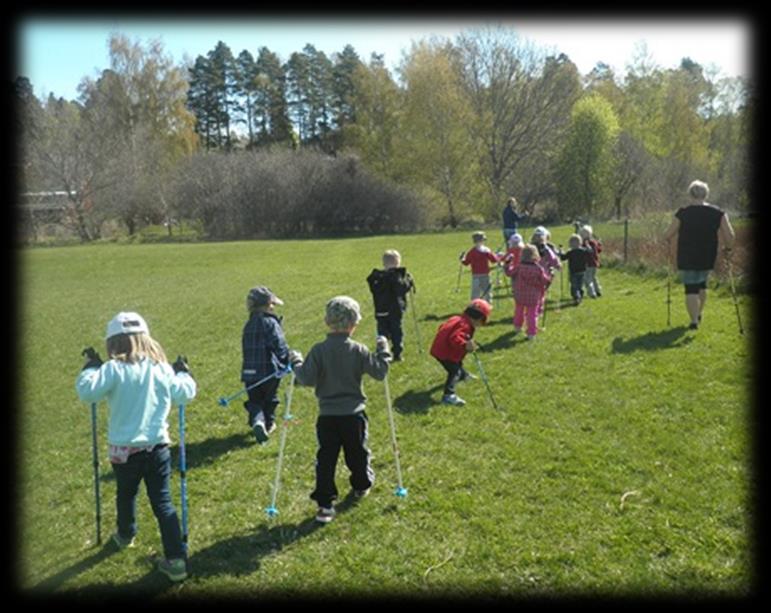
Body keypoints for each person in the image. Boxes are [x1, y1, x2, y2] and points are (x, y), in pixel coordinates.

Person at [75, 312, 196, 583]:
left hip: (123, 449)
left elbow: (87, 392)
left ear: (112, 343)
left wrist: (90, 367)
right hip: (157, 447)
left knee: (126, 493)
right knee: (163, 502)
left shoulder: (112, 369)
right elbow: (185, 393)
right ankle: (177, 559)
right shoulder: (160, 368)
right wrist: (183, 373)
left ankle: (125, 534)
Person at [289, 296, 390, 524]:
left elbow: (305, 378)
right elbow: (380, 372)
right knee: (357, 452)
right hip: (353, 415)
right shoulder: (358, 350)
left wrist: (296, 362)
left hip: (327, 417)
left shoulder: (319, 350)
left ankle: (325, 504)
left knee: (326, 458)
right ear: (354, 324)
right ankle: (361, 485)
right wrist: (383, 350)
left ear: (327, 322)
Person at [663, 180, 735, 329]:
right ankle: (698, 313)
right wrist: (728, 249)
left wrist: (668, 240)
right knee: (702, 284)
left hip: (687, 254)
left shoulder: (683, 213)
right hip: (707, 254)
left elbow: (668, 234)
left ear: (690, 194)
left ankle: (694, 321)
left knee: (691, 288)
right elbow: (730, 235)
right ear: (706, 194)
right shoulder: (718, 213)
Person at [241, 285, 292, 444]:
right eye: (272, 305)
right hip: (269, 371)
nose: (273, 308)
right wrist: (286, 360)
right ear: (265, 305)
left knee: (255, 400)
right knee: (270, 399)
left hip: (249, 373)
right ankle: (268, 424)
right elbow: (279, 345)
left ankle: (257, 421)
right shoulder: (270, 322)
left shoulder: (248, 325)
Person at [429, 298, 492, 406]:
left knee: (457, 364)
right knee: (454, 372)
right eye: (483, 321)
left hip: (440, 349)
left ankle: (464, 375)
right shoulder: (465, 325)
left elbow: (442, 327)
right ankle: (448, 395)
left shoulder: (457, 318)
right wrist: (465, 345)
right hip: (445, 353)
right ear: (478, 318)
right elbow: (455, 338)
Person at [366, 249, 416, 362]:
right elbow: (401, 289)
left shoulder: (377, 278)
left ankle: (382, 350)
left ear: (384, 263)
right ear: (398, 263)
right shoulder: (396, 277)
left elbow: (373, 289)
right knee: (396, 331)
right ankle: (397, 353)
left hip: (380, 310)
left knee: (382, 331)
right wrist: (408, 281)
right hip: (395, 310)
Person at [508, 245, 551, 340]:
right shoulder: (538, 268)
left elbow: (510, 273)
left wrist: (507, 265)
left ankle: (517, 326)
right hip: (533, 295)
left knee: (518, 311)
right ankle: (531, 332)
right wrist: (550, 276)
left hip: (519, 294)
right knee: (532, 314)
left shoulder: (519, 266)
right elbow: (545, 280)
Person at [461, 231, 500, 304]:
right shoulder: (486, 250)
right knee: (487, 292)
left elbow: (466, 262)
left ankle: (474, 306)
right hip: (485, 274)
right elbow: (494, 260)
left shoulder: (471, 251)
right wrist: (497, 256)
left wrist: (462, 259)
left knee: (475, 293)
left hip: (475, 275)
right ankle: (488, 305)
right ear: (481, 241)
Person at [530, 227, 561, 316]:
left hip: (531, 273)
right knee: (541, 292)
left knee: (534, 291)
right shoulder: (546, 249)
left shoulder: (530, 248)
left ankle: (533, 308)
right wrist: (557, 265)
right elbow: (552, 258)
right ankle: (538, 309)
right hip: (543, 274)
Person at [559, 234, 592, 305]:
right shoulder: (583, 250)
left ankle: (577, 297)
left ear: (570, 244)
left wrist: (560, 251)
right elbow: (590, 252)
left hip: (573, 272)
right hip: (582, 271)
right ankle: (580, 295)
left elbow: (563, 257)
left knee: (574, 285)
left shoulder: (570, 252)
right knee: (580, 284)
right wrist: (587, 245)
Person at [579, 225, 603, 298]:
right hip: (595, 263)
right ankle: (598, 290)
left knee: (587, 279)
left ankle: (592, 293)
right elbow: (599, 250)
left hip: (588, 263)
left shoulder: (585, 243)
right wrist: (599, 244)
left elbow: (582, 252)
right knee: (594, 277)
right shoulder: (594, 242)